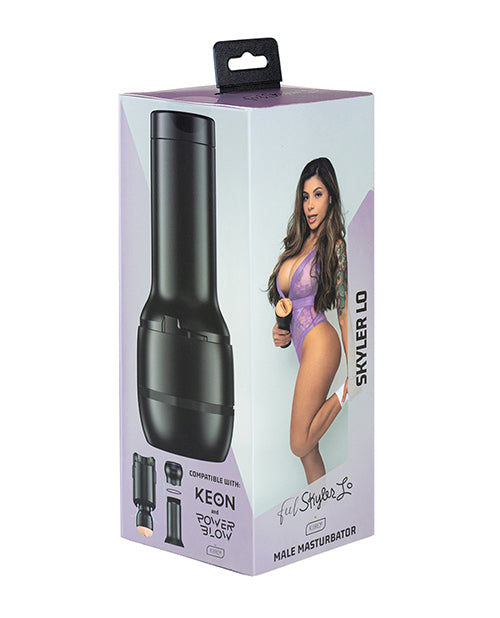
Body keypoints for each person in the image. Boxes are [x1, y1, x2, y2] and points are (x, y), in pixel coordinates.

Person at [267, 157, 348, 484]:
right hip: (302, 344)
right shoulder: (297, 244)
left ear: (331, 197)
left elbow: (343, 309)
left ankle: (346, 392)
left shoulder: (335, 246)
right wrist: (280, 332)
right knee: (308, 450)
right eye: (305, 197)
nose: (310, 205)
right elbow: (288, 305)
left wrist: (356, 369)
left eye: (318, 194)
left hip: (321, 341)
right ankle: (324, 508)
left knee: (299, 442)